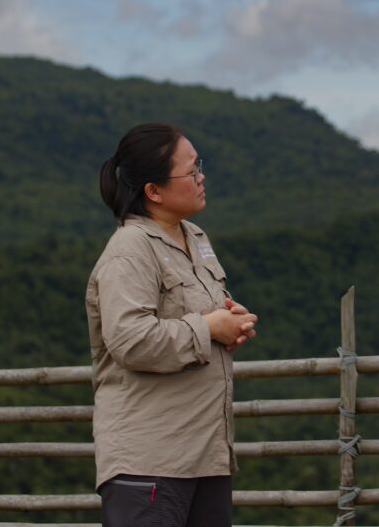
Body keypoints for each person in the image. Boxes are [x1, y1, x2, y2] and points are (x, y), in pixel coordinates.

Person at [85, 123, 258, 527]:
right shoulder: (130, 250)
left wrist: (230, 321)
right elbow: (131, 341)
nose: (201, 177)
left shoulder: (194, 237)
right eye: (192, 170)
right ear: (154, 191)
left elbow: (196, 314)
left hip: (204, 454)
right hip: (150, 459)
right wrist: (208, 328)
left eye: (200, 166)